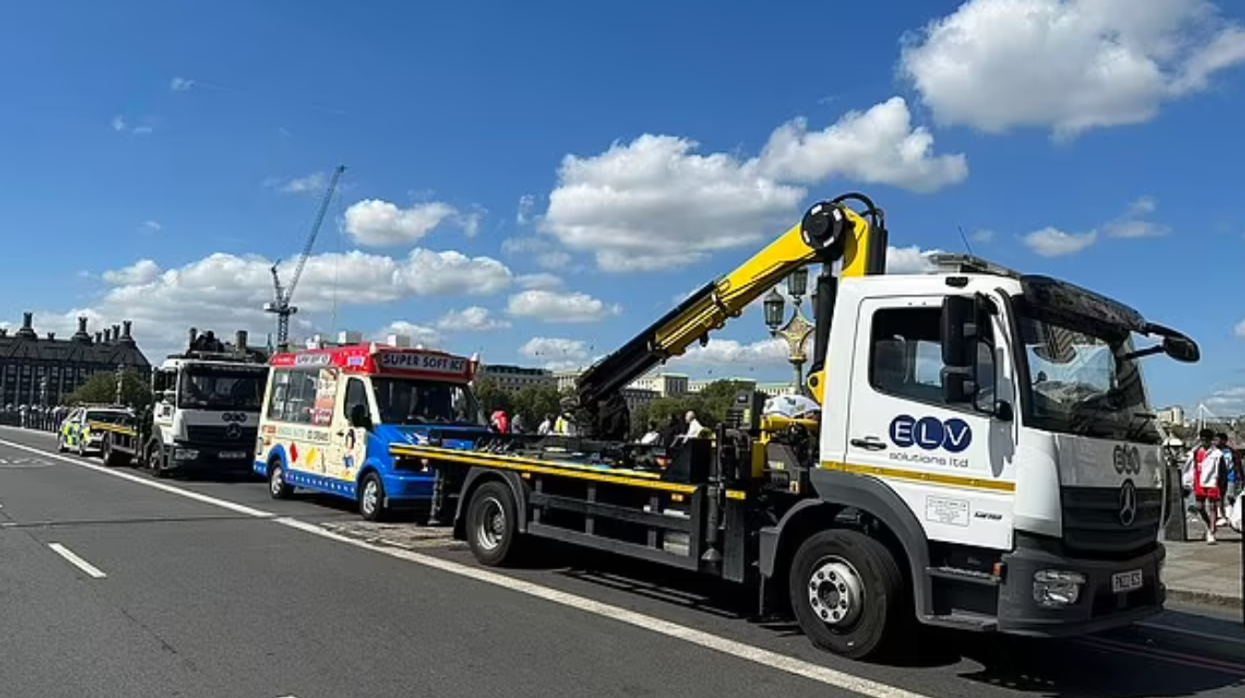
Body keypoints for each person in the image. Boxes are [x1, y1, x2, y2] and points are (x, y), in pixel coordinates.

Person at [1184, 428, 1225, 544]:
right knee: (1200, 507)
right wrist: (1188, 482)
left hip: (1212, 481)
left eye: (1207, 440)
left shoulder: (1217, 454)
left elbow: (1222, 471)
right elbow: (1191, 467)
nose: (1204, 442)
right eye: (1202, 440)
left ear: (1211, 440)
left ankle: (1211, 532)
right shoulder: (1196, 452)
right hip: (1199, 481)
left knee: (1212, 507)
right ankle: (1209, 525)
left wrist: (1222, 486)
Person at [1214, 433, 1236, 525]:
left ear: (1223, 441)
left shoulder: (1230, 451)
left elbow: (1236, 464)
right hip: (1219, 478)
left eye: (1217, 440)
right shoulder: (1214, 451)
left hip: (1230, 477)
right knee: (1219, 498)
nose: (1215, 442)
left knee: (1230, 496)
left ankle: (1233, 514)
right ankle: (1222, 516)